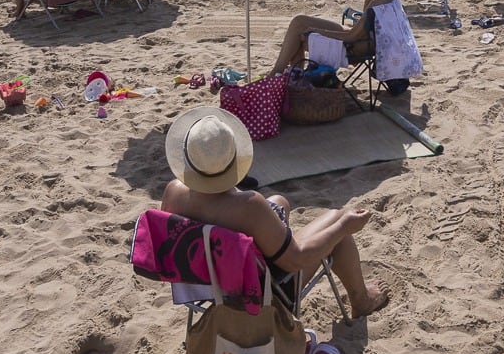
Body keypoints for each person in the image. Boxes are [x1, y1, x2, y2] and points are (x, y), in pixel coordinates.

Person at [159, 105, 388, 317]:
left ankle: (272, 241)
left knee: (278, 201)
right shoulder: (249, 206)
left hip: (205, 287)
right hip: (260, 294)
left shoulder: (173, 192)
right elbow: (296, 261)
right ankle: (362, 300)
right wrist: (343, 227)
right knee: (338, 224)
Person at [270, 0, 398, 74]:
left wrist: (318, 31)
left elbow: (351, 36)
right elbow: (364, 23)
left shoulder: (376, 7)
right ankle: (294, 74)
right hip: (361, 42)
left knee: (299, 32)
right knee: (299, 21)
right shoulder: (389, 1)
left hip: (350, 48)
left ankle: (279, 73)